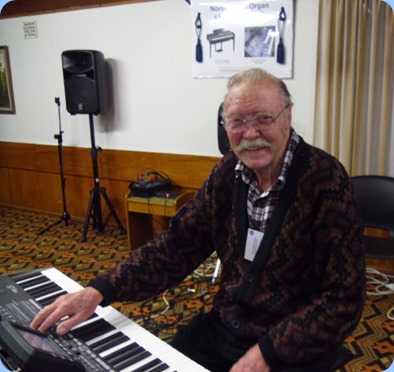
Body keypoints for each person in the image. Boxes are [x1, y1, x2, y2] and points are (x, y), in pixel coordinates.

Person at [31, 68, 366, 371]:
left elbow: (343, 299)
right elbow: (175, 247)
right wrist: (99, 291)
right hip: (224, 329)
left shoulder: (326, 180)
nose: (250, 133)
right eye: (236, 121)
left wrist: (268, 352)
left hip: (293, 345)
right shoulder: (226, 174)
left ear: (287, 116)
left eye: (264, 118)